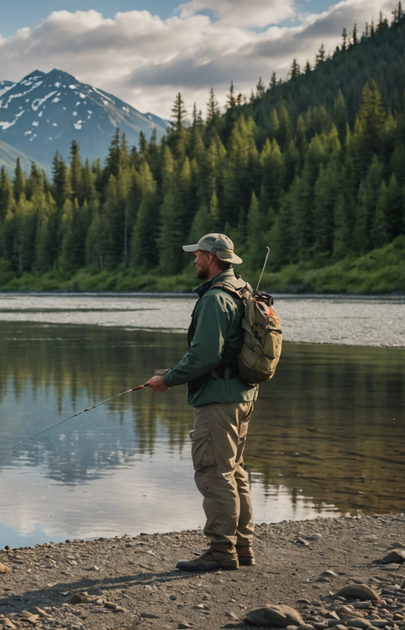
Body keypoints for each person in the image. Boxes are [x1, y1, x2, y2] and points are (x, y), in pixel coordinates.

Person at [147, 233, 259, 572]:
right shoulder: (242, 290)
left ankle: (222, 550)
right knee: (234, 471)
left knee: (214, 472)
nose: (193, 260)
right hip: (241, 395)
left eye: (197, 255)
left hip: (219, 400)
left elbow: (205, 355)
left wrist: (166, 379)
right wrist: (173, 372)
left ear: (210, 258)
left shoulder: (215, 298)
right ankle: (241, 546)